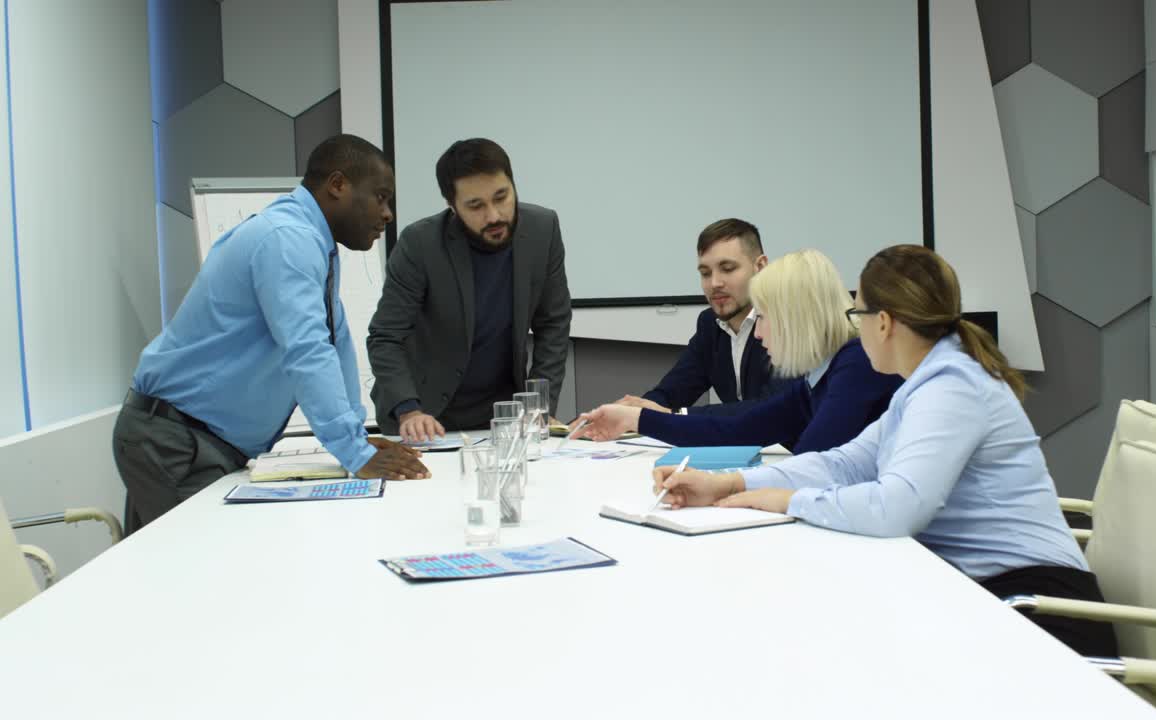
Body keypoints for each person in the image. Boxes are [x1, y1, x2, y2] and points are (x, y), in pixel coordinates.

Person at [652, 244, 1117, 657]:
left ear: (884, 323)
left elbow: (898, 507)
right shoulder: (924, 384)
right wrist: (728, 484)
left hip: (1042, 616)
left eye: (857, 316)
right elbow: (846, 461)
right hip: (991, 596)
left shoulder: (952, 387)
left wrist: (787, 499)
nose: (853, 329)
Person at [114, 134, 429, 534]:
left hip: (190, 440)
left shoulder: (310, 241)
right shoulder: (287, 240)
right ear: (338, 185)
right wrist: (352, 451)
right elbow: (307, 351)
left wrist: (357, 437)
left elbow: (336, 342)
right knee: (203, 579)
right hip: (175, 442)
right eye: (380, 197)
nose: (387, 214)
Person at [571, 249, 901, 454]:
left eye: (765, 318)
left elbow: (812, 464)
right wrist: (637, 419)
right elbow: (740, 426)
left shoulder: (856, 365)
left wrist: (729, 488)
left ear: (794, 320)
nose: (757, 331)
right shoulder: (819, 378)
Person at [368, 138, 571, 442]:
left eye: (502, 197)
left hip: (505, 416)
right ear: (452, 206)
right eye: (475, 206)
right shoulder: (419, 244)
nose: (494, 216)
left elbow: (553, 324)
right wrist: (408, 409)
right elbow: (385, 337)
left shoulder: (543, 228)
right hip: (424, 417)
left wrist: (538, 407)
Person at [612, 218, 788, 417]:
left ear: (761, 267)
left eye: (728, 269)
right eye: (705, 273)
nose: (714, 283)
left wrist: (674, 414)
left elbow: (769, 409)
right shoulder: (709, 324)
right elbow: (672, 392)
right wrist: (631, 411)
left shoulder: (785, 320)